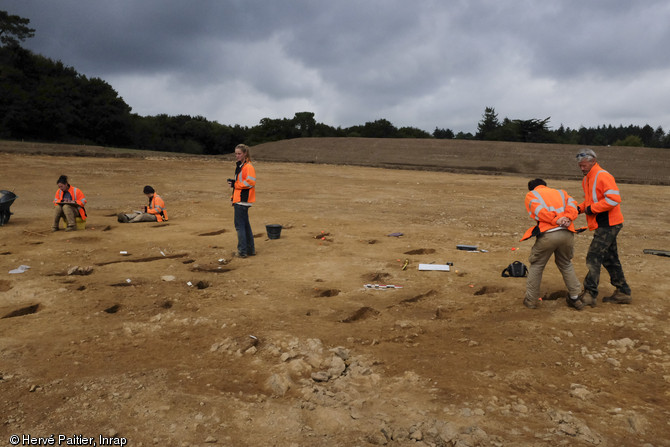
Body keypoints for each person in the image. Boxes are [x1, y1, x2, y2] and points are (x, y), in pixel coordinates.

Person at [575, 149, 632, 306]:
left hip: (609, 223)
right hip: (603, 224)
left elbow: (614, 199)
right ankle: (623, 292)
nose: (581, 168)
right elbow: (589, 202)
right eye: (580, 166)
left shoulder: (602, 175)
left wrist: (591, 210)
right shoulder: (587, 178)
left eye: (584, 165)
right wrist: (577, 209)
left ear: (593, 161)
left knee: (593, 256)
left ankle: (590, 294)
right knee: (610, 258)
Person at [521, 179, 583, 309]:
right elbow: (573, 205)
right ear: (545, 185)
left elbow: (539, 212)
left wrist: (556, 219)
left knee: (537, 265)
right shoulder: (561, 192)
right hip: (567, 233)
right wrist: (568, 218)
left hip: (549, 234)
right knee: (566, 263)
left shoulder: (532, 195)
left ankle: (531, 300)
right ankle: (576, 297)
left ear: (531, 188)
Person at [228, 144, 256, 258]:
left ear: (245, 154)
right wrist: (232, 198)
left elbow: (250, 182)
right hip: (240, 200)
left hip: (242, 200)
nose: (237, 156)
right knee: (245, 226)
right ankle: (250, 250)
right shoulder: (241, 166)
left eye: (239, 153)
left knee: (240, 227)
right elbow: (240, 183)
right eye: (236, 153)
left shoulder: (248, 167)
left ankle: (242, 251)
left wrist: (235, 184)